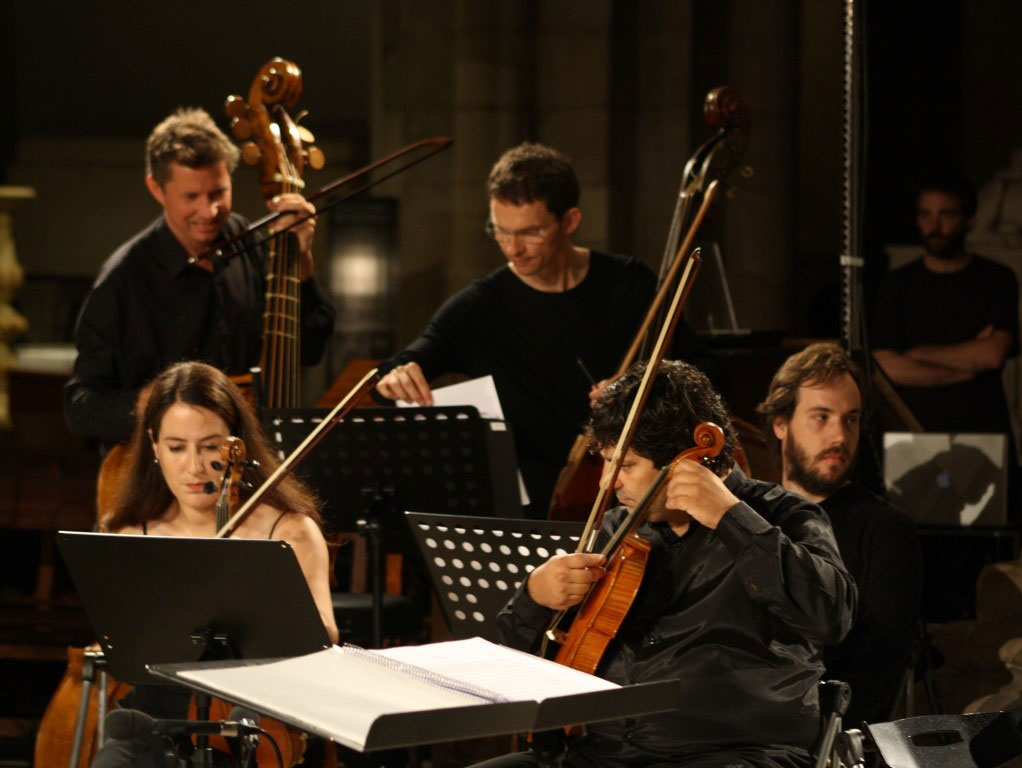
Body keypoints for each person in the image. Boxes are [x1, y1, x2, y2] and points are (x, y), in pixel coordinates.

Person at [474, 360, 855, 768]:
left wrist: (732, 519)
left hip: (734, 754)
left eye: (626, 465)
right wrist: (535, 597)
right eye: (606, 461)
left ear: (686, 461)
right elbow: (515, 665)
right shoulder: (616, 528)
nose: (607, 482)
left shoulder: (783, 515)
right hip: (604, 756)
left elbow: (832, 615)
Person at [374, 142, 709, 518]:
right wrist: (397, 376)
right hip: (529, 511)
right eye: (500, 231)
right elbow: (397, 369)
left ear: (570, 221)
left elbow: (706, 374)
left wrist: (641, 386)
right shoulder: (479, 307)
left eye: (530, 232)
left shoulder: (628, 284)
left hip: (629, 501)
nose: (512, 248)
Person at [91, 360, 338, 768]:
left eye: (209, 447)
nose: (194, 466)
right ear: (154, 445)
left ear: (235, 444)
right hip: (157, 721)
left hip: (253, 718)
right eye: (176, 447)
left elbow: (324, 635)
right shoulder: (129, 532)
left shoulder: (289, 532)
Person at [65, 107, 335, 448]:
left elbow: (309, 350)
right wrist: (156, 403)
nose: (209, 211)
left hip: (246, 454)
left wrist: (302, 261)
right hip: (164, 471)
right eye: (191, 197)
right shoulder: (122, 280)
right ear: (156, 189)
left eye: (218, 192)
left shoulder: (248, 241)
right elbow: (81, 407)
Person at [757, 342, 922, 727]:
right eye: (821, 417)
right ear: (781, 424)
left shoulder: (886, 530)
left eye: (851, 419)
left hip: (819, 731)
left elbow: (877, 670)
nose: (839, 437)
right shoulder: (750, 518)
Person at [870, 173, 1020, 459]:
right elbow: (886, 367)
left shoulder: (997, 279)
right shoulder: (897, 284)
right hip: (913, 435)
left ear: (969, 220)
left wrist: (916, 355)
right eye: (925, 215)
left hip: (982, 434)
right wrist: (966, 368)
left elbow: (991, 355)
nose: (934, 226)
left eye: (946, 215)